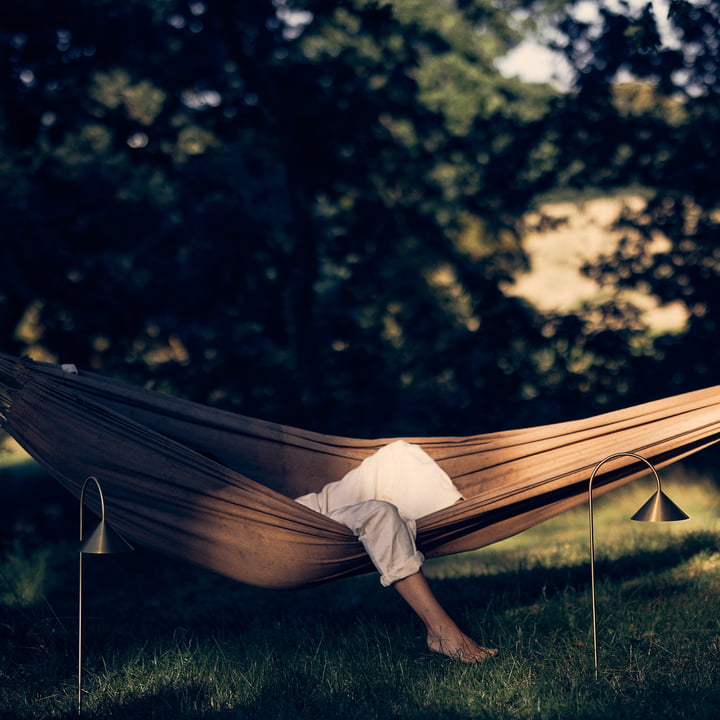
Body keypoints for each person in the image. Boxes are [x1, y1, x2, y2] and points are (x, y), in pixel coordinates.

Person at [295, 440, 498, 663]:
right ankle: (439, 630)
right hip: (293, 523)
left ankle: (462, 515)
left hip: (311, 505)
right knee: (380, 514)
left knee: (398, 453)